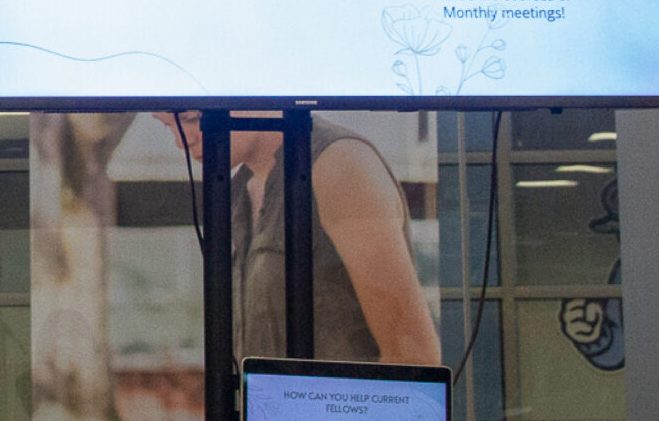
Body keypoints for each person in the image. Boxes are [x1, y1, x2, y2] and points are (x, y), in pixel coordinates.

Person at [152, 111, 442, 365]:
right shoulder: (243, 189)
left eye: (192, 119)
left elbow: (414, 356)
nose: (182, 140)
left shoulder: (338, 164)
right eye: (167, 125)